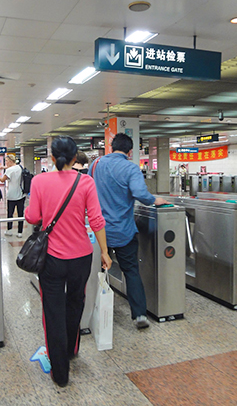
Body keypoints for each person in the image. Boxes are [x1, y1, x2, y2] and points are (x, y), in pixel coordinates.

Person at [25, 136, 112, 388]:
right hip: (81, 258)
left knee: (52, 311)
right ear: (76, 158)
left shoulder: (40, 181)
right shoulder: (85, 182)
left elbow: (32, 217)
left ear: (52, 157)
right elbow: (96, 220)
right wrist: (105, 252)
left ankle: (60, 374)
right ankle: (72, 349)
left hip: (51, 258)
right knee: (76, 302)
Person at [89, 133, 168, 329]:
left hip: (98, 231)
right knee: (131, 271)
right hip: (123, 231)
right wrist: (154, 200)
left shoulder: (96, 165)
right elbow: (140, 193)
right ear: (130, 152)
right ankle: (139, 315)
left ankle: (90, 312)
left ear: (111, 147)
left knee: (95, 272)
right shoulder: (131, 168)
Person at [0, 154, 25, 238]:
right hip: (21, 194)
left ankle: (9, 230)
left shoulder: (9, 170)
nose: (5, 163)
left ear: (10, 161)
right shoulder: (20, 167)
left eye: (6, 161)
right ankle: (20, 232)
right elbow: (13, 170)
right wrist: (4, 167)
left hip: (11, 195)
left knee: (10, 213)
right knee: (20, 213)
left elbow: (2, 180)